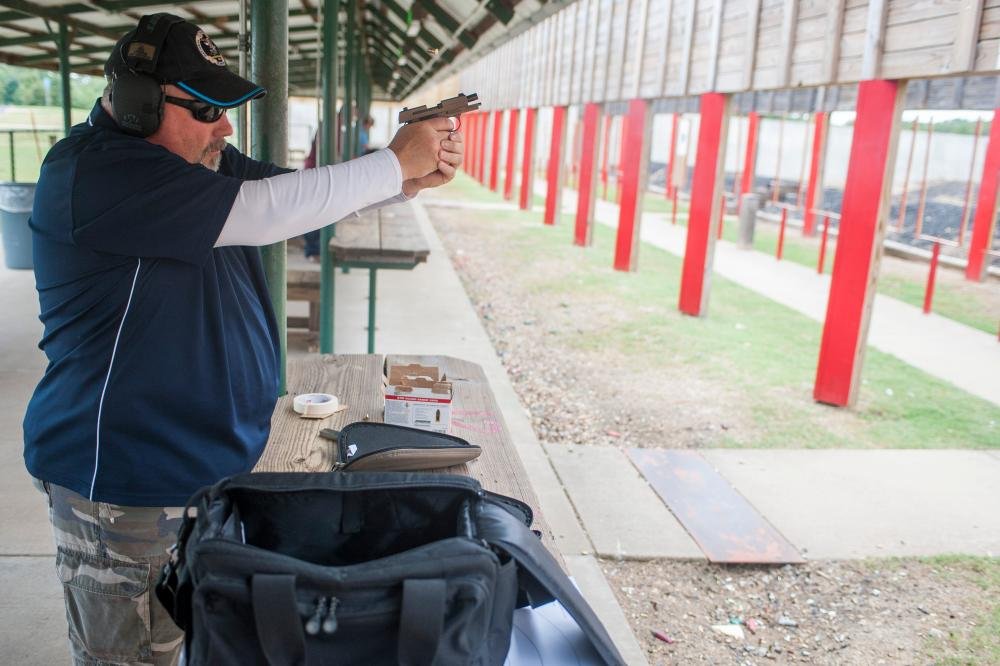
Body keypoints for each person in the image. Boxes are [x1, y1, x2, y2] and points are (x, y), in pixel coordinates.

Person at [22, 13, 462, 665]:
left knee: (204, 639)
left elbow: (287, 196)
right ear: (139, 103)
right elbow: (262, 212)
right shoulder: (95, 173)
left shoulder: (197, 158)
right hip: (128, 484)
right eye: (206, 109)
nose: (224, 127)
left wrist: (403, 181)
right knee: (130, 655)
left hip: (207, 469)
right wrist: (388, 164)